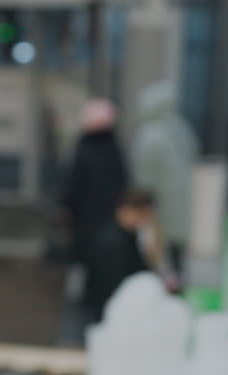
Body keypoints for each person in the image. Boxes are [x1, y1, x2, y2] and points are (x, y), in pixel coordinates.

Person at [131, 82, 198, 276]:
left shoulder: (153, 135)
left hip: (161, 205)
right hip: (175, 204)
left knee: (158, 252)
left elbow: (144, 178)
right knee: (171, 252)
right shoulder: (178, 129)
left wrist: (141, 206)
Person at [83, 188, 177, 324]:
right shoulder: (112, 242)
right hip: (109, 313)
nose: (146, 220)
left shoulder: (130, 236)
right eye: (144, 214)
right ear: (127, 210)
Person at [61, 99, 128, 269]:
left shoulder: (84, 149)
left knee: (84, 264)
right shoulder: (115, 150)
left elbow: (73, 183)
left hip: (85, 219)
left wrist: (66, 207)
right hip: (109, 218)